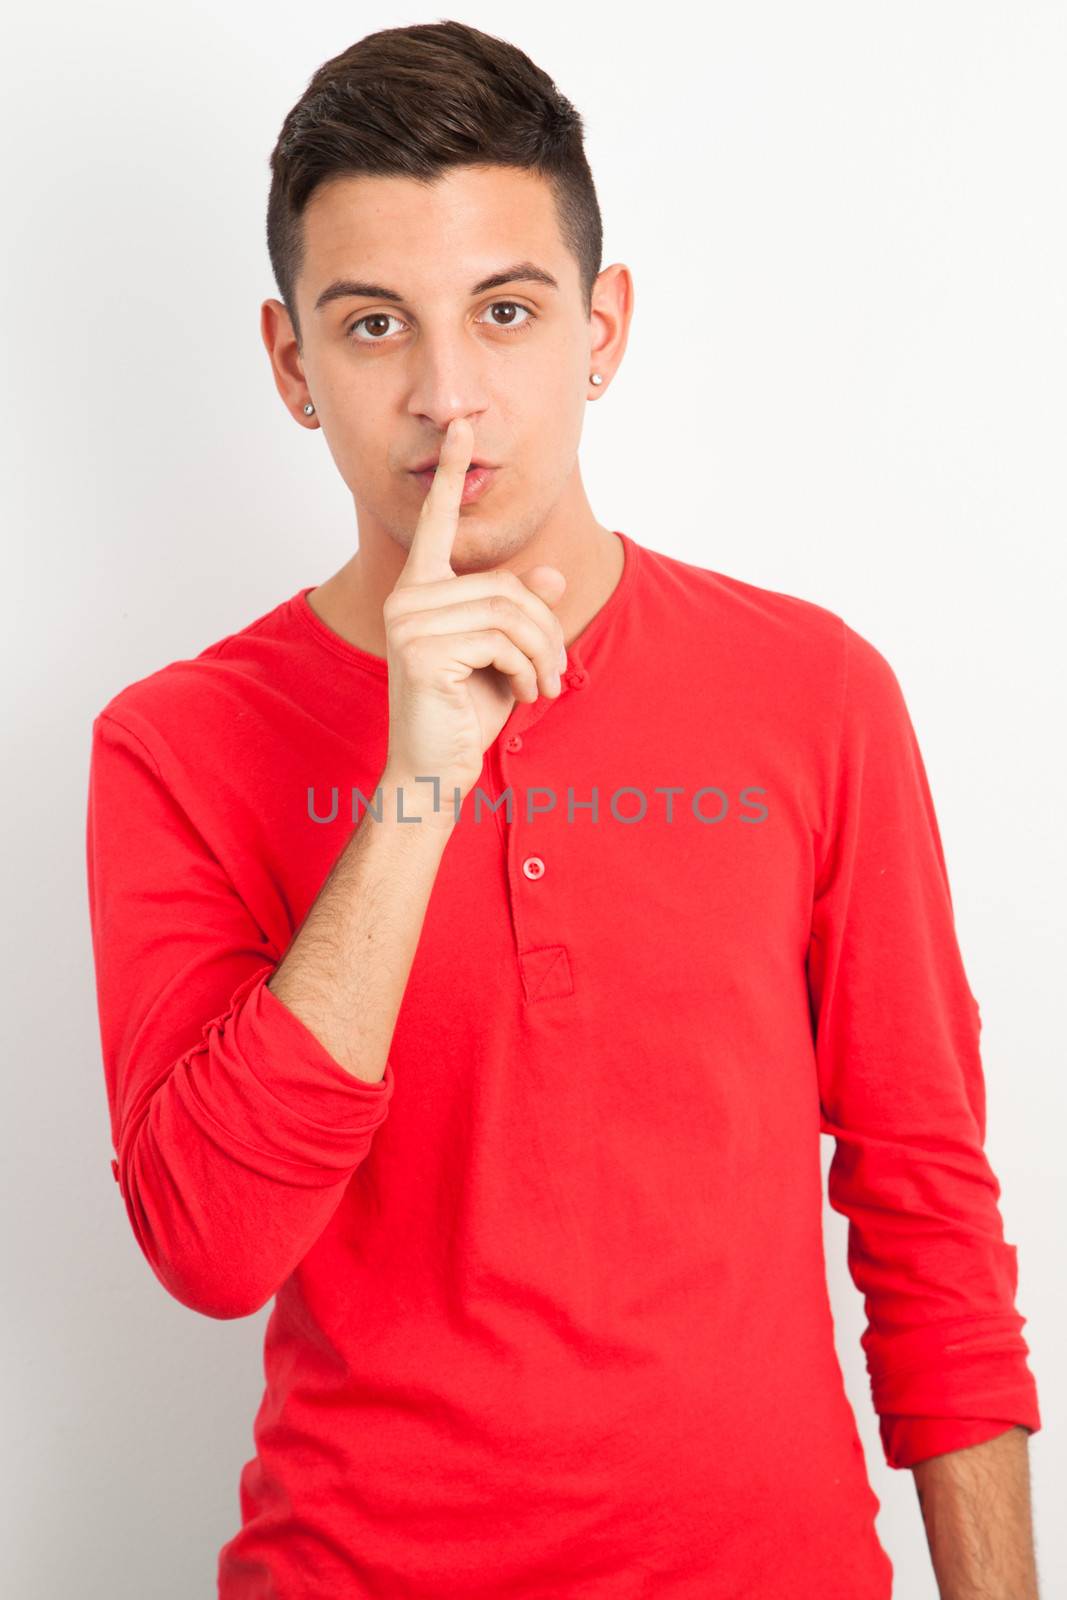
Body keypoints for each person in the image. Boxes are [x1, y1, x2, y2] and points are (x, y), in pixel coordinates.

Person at [85, 19, 1042, 1599]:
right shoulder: (178, 742)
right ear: (290, 366)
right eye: (375, 325)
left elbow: (927, 1208)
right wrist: (416, 787)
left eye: (506, 312)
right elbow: (209, 1248)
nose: (449, 399)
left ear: (602, 330)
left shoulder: (816, 692)